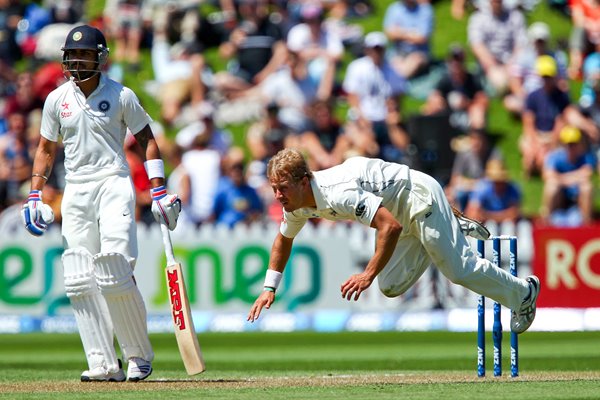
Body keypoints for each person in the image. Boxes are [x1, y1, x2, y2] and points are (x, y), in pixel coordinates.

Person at [20, 25, 182, 382]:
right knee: (79, 277)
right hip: (75, 190)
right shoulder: (56, 99)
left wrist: (157, 189)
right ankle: (103, 362)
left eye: (84, 54)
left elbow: (147, 140)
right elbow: (46, 149)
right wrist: (35, 194)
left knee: (115, 269)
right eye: (72, 55)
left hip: (113, 182)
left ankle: (138, 355)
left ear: (100, 57)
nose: (76, 60)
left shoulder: (121, 95)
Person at [246, 149, 540, 337]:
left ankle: (524, 293)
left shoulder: (338, 193)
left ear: (303, 181)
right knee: (390, 286)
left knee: (457, 270)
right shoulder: (296, 204)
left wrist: (366, 274)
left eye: (283, 188)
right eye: (274, 189)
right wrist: (269, 288)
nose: (278, 196)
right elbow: (283, 240)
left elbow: (389, 226)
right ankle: (442, 229)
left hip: (417, 196)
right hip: (398, 213)